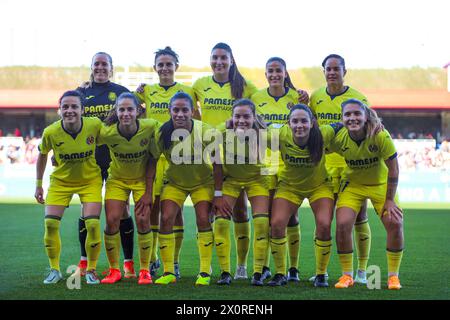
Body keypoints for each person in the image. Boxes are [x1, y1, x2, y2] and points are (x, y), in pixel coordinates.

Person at [309, 54, 372, 284]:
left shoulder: (358, 98)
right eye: (328, 68)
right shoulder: (315, 97)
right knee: (322, 221)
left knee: (358, 218)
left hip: (351, 168)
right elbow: (311, 129)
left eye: (337, 68)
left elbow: (370, 129)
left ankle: (362, 271)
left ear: (345, 71)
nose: (332, 72)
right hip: (323, 168)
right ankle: (321, 271)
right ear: (323, 71)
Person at [134, 47, 195, 279]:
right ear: (155, 67)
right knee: (152, 209)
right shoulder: (146, 91)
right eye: (161, 64)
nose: (165, 68)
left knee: (174, 211)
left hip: (178, 157)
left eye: (169, 64)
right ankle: (151, 260)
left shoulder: (188, 90)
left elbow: (198, 115)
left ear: (176, 67)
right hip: (153, 157)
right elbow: (125, 105)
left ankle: (175, 262)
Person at [330, 99, 404, 290]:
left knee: (395, 223)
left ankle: (393, 277)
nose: (352, 118)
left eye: (356, 114)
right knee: (343, 224)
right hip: (353, 185)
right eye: (348, 115)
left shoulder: (380, 135)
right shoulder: (338, 138)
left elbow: (394, 169)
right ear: (342, 118)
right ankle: (347, 275)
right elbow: (317, 144)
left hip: (380, 184)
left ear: (365, 116)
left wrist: (389, 200)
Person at [76, 52, 136, 278]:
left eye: (105, 64)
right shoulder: (81, 93)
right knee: (87, 211)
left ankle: (128, 263)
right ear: (91, 66)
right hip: (88, 161)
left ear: (111, 68)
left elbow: (136, 117)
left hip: (115, 161)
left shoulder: (121, 92)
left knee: (121, 212)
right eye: (97, 64)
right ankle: (84, 261)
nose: (100, 67)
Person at [35, 90, 103, 285]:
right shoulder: (51, 132)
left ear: (82, 109)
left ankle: (91, 270)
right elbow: (42, 155)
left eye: (74, 106)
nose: (70, 110)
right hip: (61, 183)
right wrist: (39, 184)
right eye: (65, 106)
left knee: (92, 224)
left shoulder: (94, 125)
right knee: (50, 224)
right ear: (60, 110)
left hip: (90, 180)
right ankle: (54, 270)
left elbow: (112, 140)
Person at [268, 104, 338, 287]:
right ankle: (281, 273)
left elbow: (343, 124)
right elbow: (256, 125)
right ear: (288, 124)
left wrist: (371, 122)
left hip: (319, 187)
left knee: (324, 224)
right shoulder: (280, 134)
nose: (300, 125)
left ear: (312, 122)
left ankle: (321, 274)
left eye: (304, 121)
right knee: (276, 224)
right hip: (289, 187)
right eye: (295, 121)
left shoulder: (324, 133)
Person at [153, 92, 217, 286]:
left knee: (203, 219)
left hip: (202, 183)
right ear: (169, 111)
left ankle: (205, 272)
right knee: (165, 219)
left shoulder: (206, 131)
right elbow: (152, 161)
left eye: (184, 110)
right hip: (174, 183)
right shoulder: (162, 133)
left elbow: (219, 163)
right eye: (176, 110)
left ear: (193, 112)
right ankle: (169, 271)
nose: (180, 114)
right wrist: (149, 190)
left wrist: (219, 193)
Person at [251, 57, 305, 282]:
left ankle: (293, 268)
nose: (274, 74)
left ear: (285, 73)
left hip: (290, 165)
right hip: (265, 164)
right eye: (270, 71)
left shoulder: (297, 98)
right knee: (266, 218)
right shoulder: (256, 98)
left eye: (278, 71)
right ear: (265, 74)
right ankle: (263, 266)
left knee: (290, 218)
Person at [99, 92, 159, 285]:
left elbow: (153, 159)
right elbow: (85, 139)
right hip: (117, 180)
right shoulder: (107, 132)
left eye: (130, 109)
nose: (126, 113)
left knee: (143, 220)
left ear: (138, 111)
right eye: (122, 109)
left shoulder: (149, 127)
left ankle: (144, 271)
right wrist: (56, 154)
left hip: (142, 180)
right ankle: (114, 270)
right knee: (111, 220)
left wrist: (149, 192)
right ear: (116, 111)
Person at [212, 99, 270, 286]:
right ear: (232, 117)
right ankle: (225, 272)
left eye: (246, 116)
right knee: (220, 223)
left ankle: (257, 272)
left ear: (254, 117)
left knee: (261, 222)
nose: (241, 120)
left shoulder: (265, 134)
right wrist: (218, 194)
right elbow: (216, 162)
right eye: (237, 116)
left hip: (257, 181)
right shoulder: (222, 131)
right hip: (232, 181)